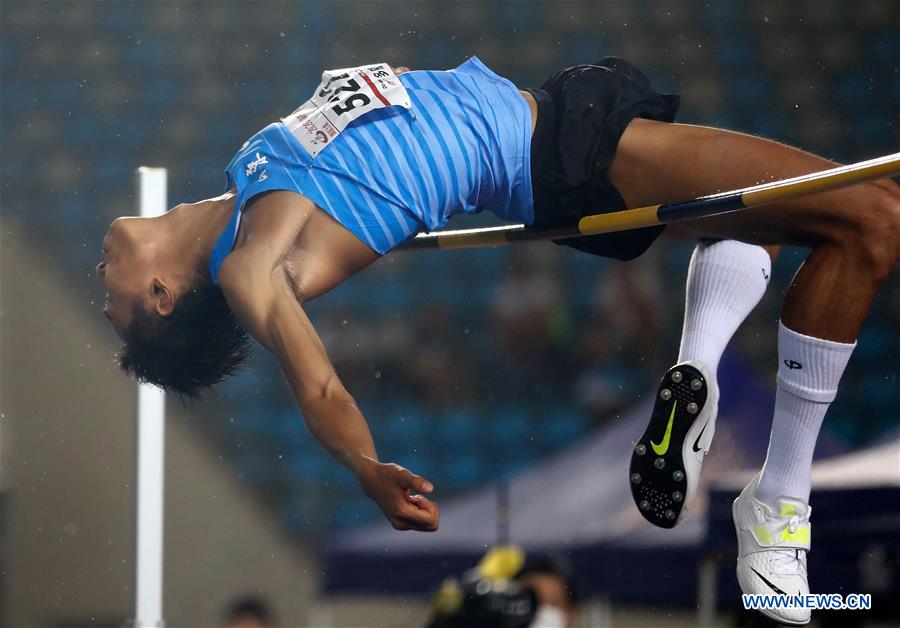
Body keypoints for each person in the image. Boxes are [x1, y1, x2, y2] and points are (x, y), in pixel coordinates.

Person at [97, 58, 899, 625]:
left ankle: (702, 365)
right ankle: (780, 502)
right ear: (164, 298)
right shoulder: (250, 260)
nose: (102, 276)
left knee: (766, 224)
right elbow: (318, 386)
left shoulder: (245, 178)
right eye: (114, 297)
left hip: (558, 119)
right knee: (871, 216)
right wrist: (365, 467)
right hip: (562, 154)